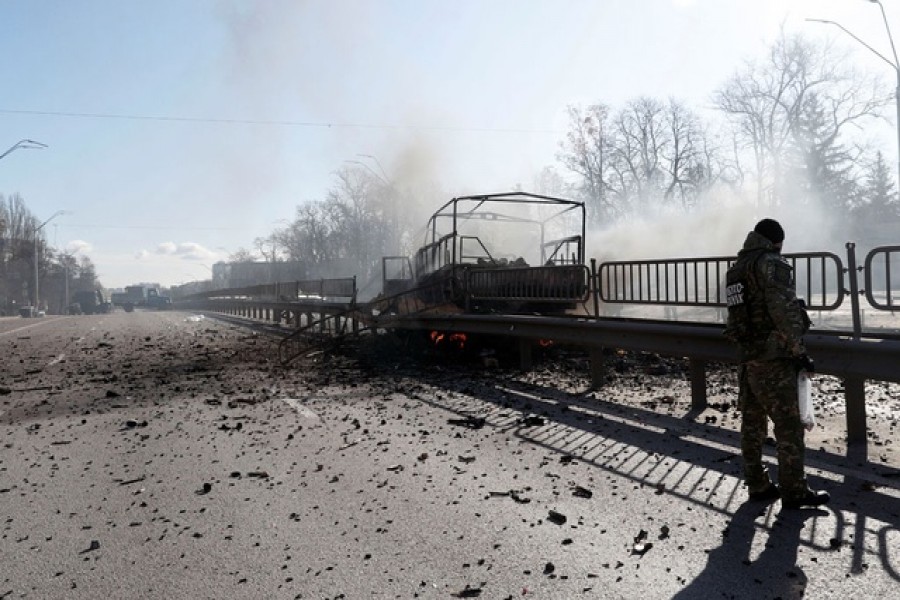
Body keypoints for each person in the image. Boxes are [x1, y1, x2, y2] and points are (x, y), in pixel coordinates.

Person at [724, 218, 829, 509]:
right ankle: (794, 491)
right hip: (774, 358)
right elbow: (783, 311)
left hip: (748, 357)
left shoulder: (736, 269)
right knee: (789, 426)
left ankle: (757, 484)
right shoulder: (772, 263)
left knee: (752, 424)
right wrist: (798, 351)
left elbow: (736, 317)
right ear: (776, 241)